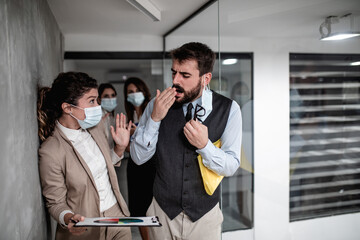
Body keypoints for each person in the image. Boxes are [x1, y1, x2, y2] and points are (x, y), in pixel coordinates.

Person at [130, 42, 242, 240]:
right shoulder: (155, 106)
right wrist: (155, 119)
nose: (175, 80)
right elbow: (138, 158)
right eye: (174, 73)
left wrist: (204, 146)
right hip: (162, 213)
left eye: (185, 75)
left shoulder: (229, 109)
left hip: (204, 217)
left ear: (206, 78)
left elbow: (231, 166)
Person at [37, 72, 132, 240]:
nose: (97, 106)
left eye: (96, 100)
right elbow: (55, 202)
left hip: (117, 216)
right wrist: (68, 218)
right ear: (67, 108)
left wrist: (119, 148)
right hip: (86, 227)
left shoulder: (96, 127)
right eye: (91, 101)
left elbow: (102, 166)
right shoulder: (51, 151)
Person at [124, 77, 155, 240]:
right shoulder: (128, 118)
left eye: (137, 90)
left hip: (152, 166)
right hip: (135, 167)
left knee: (152, 206)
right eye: (130, 92)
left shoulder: (152, 113)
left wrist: (135, 135)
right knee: (138, 209)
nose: (134, 94)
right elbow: (128, 148)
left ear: (144, 91)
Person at [98, 83, 118, 148]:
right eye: (106, 96)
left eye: (113, 95)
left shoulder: (111, 116)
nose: (110, 99)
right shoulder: (98, 116)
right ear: (99, 99)